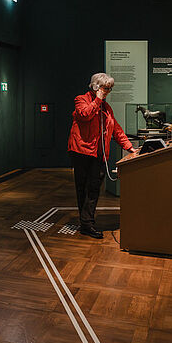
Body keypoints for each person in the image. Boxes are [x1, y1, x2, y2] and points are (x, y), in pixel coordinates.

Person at [67, 72, 136, 239]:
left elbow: (116, 129)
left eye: (110, 89)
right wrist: (97, 100)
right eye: (106, 88)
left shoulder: (106, 108)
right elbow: (85, 115)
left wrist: (130, 148)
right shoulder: (81, 100)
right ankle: (87, 224)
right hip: (82, 152)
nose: (108, 92)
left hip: (99, 153)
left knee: (94, 188)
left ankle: (87, 222)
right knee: (84, 188)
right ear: (96, 87)